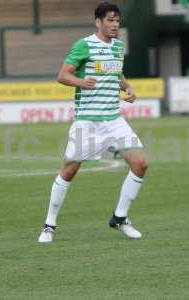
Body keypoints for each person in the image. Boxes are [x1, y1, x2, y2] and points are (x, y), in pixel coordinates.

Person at [38, 1, 148, 243]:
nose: (114, 24)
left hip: (114, 119)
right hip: (87, 122)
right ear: (98, 22)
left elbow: (116, 73)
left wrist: (128, 88)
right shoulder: (84, 45)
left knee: (140, 163)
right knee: (69, 170)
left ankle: (120, 218)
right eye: (109, 20)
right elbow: (62, 75)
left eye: (117, 20)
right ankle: (49, 225)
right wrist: (81, 82)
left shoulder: (118, 47)